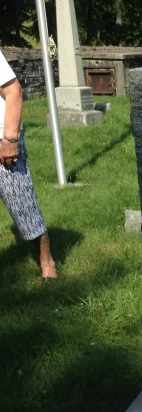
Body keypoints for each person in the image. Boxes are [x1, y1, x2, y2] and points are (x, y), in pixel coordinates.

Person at [0, 48, 57, 280]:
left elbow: (14, 91)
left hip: (2, 140)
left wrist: (10, 139)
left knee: (23, 205)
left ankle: (47, 261)